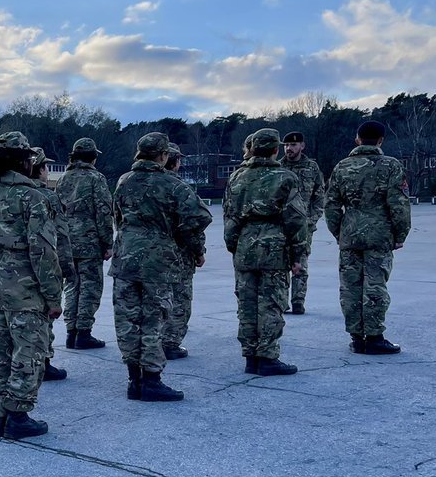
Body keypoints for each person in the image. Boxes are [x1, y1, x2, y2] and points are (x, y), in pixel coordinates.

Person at [110, 132, 212, 402]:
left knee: (128, 321)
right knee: (154, 320)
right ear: (164, 155)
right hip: (157, 262)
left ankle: (134, 380)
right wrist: (187, 243)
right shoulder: (172, 184)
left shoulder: (124, 180)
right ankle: (152, 380)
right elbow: (199, 217)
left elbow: (117, 217)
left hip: (125, 258)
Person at [0, 132, 62, 438]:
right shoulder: (33, 197)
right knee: (29, 349)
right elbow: (43, 251)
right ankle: (18, 415)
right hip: (26, 286)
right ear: (23, 162)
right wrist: (53, 296)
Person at [222, 129, 307, 375]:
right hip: (274, 248)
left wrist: (234, 245)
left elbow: (229, 215)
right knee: (271, 303)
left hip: (245, 245)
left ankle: (250, 356)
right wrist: (297, 254)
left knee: (247, 303)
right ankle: (267, 357)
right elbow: (296, 219)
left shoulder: (237, 176)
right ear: (275, 150)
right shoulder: (286, 177)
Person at [324, 120, 411, 354]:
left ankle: (356, 337)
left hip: (350, 235)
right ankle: (374, 337)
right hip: (379, 235)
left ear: (357, 139)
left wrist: (339, 232)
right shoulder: (391, 165)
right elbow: (399, 204)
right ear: (381, 140)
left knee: (350, 287)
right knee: (375, 285)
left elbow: (331, 205)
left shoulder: (341, 167)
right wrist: (400, 233)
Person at [54, 137, 113, 350]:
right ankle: (84, 332)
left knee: (72, 285)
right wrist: (108, 242)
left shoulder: (63, 179)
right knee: (90, 286)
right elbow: (103, 211)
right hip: (89, 241)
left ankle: (71, 332)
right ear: (93, 157)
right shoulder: (96, 178)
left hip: (67, 241)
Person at [160, 143, 210, 360]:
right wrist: (199, 251)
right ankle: (170, 343)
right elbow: (195, 223)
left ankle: (152, 340)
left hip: (150, 254)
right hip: (178, 253)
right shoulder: (180, 187)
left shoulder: (138, 182)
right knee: (179, 298)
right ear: (176, 162)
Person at [30, 147, 71, 381]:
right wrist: (66, 267)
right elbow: (61, 235)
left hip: (10, 271)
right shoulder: (46, 197)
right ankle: (43, 360)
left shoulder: (1, 193)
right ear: (40, 169)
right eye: (46, 167)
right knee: (46, 314)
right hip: (44, 263)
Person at [278, 132, 326, 315]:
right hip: (281, 225)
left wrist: (311, 221)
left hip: (303, 226)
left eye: (293, 145)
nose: (289, 148)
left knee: (301, 263)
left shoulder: (312, 167)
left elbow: (319, 197)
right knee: (281, 264)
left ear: (302, 146)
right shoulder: (279, 167)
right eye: (286, 145)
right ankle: (282, 301)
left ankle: (298, 301)